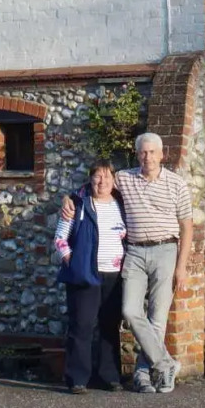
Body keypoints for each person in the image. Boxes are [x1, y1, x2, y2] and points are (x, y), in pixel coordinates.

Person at [65, 132, 192, 393]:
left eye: (152, 152)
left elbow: (187, 226)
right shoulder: (124, 178)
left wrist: (181, 266)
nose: (148, 157)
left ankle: (145, 375)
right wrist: (68, 199)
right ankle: (165, 362)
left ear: (162, 154)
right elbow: (97, 185)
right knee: (130, 311)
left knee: (158, 317)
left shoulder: (177, 184)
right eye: (143, 152)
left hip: (166, 249)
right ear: (137, 154)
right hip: (134, 252)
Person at [53, 160, 127, 394]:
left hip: (114, 275)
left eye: (107, 177)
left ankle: (109, 376)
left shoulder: (121, 204)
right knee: (82, 326)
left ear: (113, 180)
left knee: (109, 326)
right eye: (97, 176)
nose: (102, 181)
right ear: (90, 179)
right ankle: (78, 379)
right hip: (85, 274)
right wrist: (73, 263)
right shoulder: (77, 204)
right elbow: (60, 239)